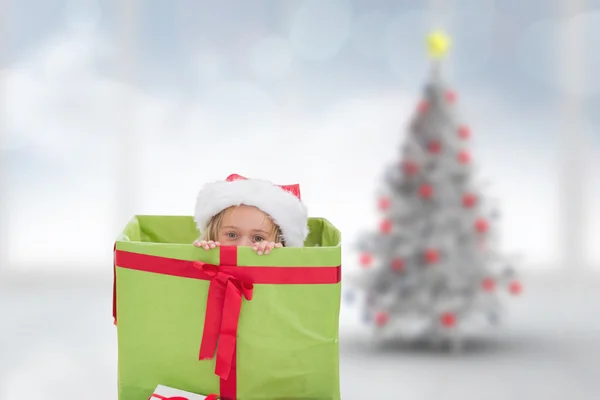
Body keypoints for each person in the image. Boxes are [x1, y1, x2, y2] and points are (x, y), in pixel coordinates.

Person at [193, 174, 309, 255]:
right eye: (232, 235)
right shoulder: (207, 253)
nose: (242, 246)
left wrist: (277, 258)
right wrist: (203, 256)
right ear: (213, 235)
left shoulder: (280, 265)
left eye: (258, 238)